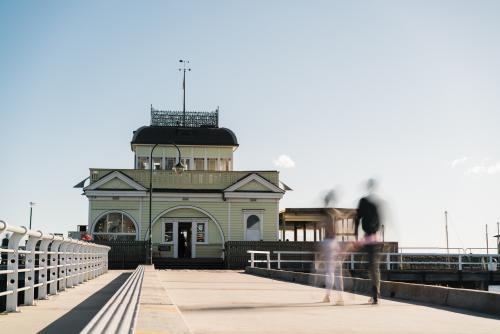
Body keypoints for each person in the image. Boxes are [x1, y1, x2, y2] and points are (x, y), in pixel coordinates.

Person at [355, 179, 382, 305]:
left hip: (367, 238)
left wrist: (355, 235)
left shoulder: (363, 201)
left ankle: (375, 294)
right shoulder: (376, 203)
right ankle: (375, 293)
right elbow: (380, 221)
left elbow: (357, 218)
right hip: (376, 238)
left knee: (370, 267)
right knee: (374, 267)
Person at [320, 190, 345, 305]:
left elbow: (330, 229)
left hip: (329, 242)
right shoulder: (334, 213)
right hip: (334, 242)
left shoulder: (326, 214)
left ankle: (328, 296)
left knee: (330, 271)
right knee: (337, 271)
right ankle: (339, 296)